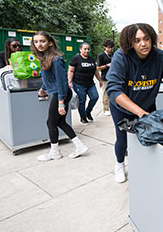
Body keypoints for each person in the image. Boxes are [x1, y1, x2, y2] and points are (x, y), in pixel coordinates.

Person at [106, 23, 163, 183]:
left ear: (151, 38)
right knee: (123, 140)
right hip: (122, 107)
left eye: (146, 39)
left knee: (151, 137)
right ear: (130, 43)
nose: (143, 44)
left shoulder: (160, 57)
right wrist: (139, 113)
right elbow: (114, 90)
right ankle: (119, 164)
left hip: (147, 104)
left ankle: (147, 167)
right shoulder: (121, 57)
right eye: (137, 40)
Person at [32, 31, 89, 161]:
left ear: (50, 43)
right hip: (58, 92)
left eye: (42, 41)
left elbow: (61, 81)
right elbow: (49, 79)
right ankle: (79, 146)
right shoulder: (45, 57)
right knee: (60, 122)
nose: (39, 44)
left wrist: (61, 102)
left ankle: (55, 152)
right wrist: (43, 89)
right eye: (36, 42)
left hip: (61, 93)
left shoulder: (56, 59)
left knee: (51, 122)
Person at [68, 42, 102, 124]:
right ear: (80, 49)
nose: (87, 51)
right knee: (82, 101)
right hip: (79, 84)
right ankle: (83, 117)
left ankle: (88, 112)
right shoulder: (75, 59)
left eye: (88, 49)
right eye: (85, 49)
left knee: (95, 97)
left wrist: (100, 80)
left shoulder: (91, 59)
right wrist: (69, 81)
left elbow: (95, 71)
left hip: (90, 84)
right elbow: (71, 71)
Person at [97, 39, 114, 116]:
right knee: (106, 93)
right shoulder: (101, 56)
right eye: (108, 47)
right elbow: (98, 67)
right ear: (104, 47)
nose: (110, 49)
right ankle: (106, 109)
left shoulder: (113, 54)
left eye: (111, 47)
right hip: (105, 77)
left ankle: (112, 108)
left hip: (113, 76)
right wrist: (107, 65)